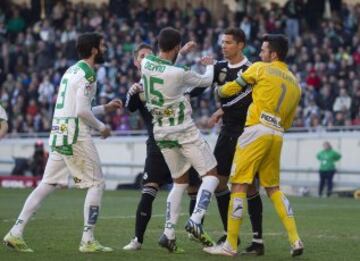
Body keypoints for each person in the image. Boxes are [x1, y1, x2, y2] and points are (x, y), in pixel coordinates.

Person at [3, 32, 122, 253]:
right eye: (102, 45)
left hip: (59, 131)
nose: (105, 49)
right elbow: (82, 112)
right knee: (96, 184)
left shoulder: (72, 70)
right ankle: (88, 240)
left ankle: (15, 232)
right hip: (76, 134)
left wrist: (104, 108)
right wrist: (102, 127)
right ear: (94, 49)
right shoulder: (88, 74)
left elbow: (77, 109)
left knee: (47, 183)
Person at [204, 34, 304, 257]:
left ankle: (230, 244)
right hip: (277, 135)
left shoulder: (260, 68)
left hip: (255, 130)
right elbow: (288, 122)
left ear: (273, 54)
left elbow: (233, 88)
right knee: (273, 189)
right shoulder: (295, 84)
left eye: (263, 50)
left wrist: (218, 91)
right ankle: (295, 239)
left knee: (238, 186)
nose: (259, 54)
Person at [141, 27, 221, 252]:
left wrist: (182, 53)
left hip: (161, 132)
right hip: (183, 130)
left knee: (180, 182)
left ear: (158, 44)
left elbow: (166, 64)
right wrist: (211, 65)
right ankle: (195, 220)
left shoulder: (146, 63)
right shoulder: (179, 73)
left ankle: (168, 233)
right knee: (211, 176)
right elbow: (206, 81)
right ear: (176, 46)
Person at [187, 27, 264, 255]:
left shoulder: (253, 70)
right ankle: (231, 234)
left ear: (240, 45)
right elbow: (198, 89)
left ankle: (258, 241)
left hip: (248, 132)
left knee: (250, 186)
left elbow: (253, 100)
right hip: (227, 132)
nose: (224, 46)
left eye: (228, 42)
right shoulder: (218, 67)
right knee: (219, 182)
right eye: (223, 42)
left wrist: (221, 109)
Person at [123, 42, 201, 251]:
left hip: (181, 142)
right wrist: (131, 93)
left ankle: (192, 231)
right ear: (136, 62)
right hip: (157, 147)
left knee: (195, 188)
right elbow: (129, 107)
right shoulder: (138, 88)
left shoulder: (171, 80)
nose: (147, 59)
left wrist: (182, 54)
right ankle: (137, 240)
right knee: (149, 191)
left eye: (150, 55)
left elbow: (194, 87)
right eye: (142, 56)